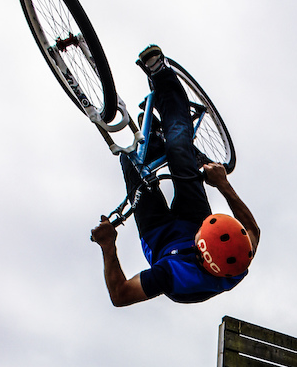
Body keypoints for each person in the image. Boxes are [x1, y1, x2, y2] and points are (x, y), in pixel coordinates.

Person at [90, 45, 259, 306]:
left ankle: (154, 139)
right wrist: (223, 184)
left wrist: (108, 245)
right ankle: (162, 75)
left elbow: (120, 296)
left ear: (200, 253)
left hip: (159, 237)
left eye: (197, 240)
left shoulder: (173, 276)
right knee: (180, 146)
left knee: (130, 159)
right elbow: (253, 229)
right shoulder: (239, 259)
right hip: (193, 218)